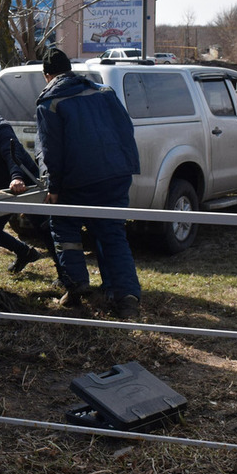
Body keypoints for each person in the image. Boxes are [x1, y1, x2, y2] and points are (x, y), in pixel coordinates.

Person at [34, 49, 142, 319]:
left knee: (63, 226)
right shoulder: (104, 92)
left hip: (78, 180)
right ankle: (126, 297)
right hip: (117, 174)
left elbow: (51, 151)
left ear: (47, 75)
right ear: (69, 69)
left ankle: (76, 287)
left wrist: (54, 188)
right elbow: (125, 130)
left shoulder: (50, 102)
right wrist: (127, 167)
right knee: (112, 234)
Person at [0, 101, 45, 274]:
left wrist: (17, 178)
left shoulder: (0, 129)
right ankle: (25, 253)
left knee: (45, 231)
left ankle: (66, 277)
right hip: (4, 189)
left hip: (26, 185)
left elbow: (12, 155)